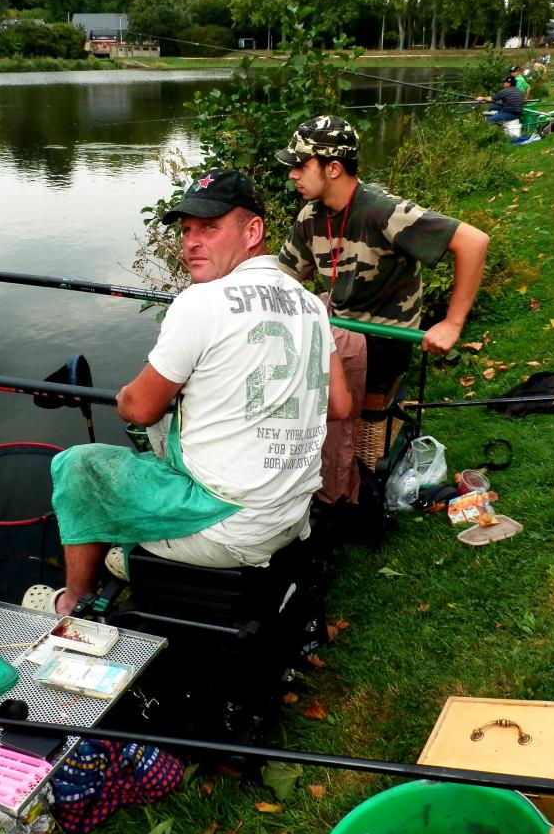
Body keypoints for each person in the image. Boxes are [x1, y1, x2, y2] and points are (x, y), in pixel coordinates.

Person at [42, 169, 351, 617]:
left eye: (210, 226)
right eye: (187, 229)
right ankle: (126, 556)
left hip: (228, 528)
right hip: (289, 515)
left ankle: (73, 602)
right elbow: (341, 405)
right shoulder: (308, 303)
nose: (191, 241)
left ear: (253, 231)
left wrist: (131, 394)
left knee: (77, 466)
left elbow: (140, 409)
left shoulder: (199, 302)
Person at [274, 117, 489, 510]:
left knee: (305, 382)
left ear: (333, 168)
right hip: (341, 326)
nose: (292, 175)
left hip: (385, 339)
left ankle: (342, 484)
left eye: (301, 165)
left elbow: (474, 242)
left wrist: (452, 323)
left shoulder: (383, 211)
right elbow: (281, 275)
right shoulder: (310, 217)